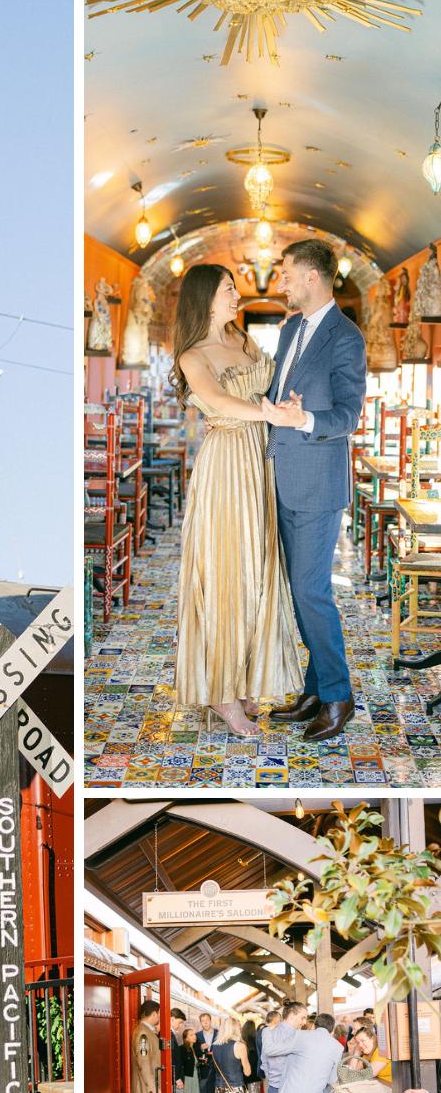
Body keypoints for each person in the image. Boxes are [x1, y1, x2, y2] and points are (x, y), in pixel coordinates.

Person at [172, 264, 304, 735]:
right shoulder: (192, 355)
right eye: (229, 288)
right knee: (228, 573)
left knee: (257, 570)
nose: (237, 294)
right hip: (226, 463)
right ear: (207, 297)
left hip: (259, 460)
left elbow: (268, 384)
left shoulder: (244, 340)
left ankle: (246, 681)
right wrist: (269, 414)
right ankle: (223, 696)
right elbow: (217, 400)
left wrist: (284, 406)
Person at [262, 238, 368, 742]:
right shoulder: (287, 332)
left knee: (311, 590)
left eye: (286, 273)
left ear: (311, 277)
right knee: (298, 592)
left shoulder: (346, 337)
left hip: (319, 482)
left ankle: (338, 695)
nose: (279, 281)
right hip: (281, 476)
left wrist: (303, 417)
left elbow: (349, 414)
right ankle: (313, 688)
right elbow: (274, 396)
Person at [257, 1008, 281, 1093]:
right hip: (269, 1072)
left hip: (269, 1071)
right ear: (276, 1019)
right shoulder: (265, 1032)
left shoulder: (262, 1032)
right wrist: (267, 1072)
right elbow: (265, 1054)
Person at [196, 1011, 219, 1093]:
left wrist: (216, 1052)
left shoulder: (219, 1034)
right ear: (200, 1022)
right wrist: (200, 1048)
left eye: (207, 1020)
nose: (205, 1023)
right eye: (203, 1021)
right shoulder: (197, 1035)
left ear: (211, 1021)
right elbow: (194, 1050)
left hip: (218, 1071)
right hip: (204, 1071)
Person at [182, 1026, 204, 1093]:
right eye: (191, 1035)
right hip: (188, 1079)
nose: (194, 1036)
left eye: (194, 1034)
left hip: (194, 1078)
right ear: (186, 1038)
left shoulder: (193, 1049)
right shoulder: (183, 1049)